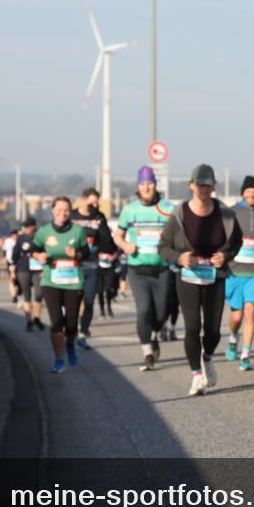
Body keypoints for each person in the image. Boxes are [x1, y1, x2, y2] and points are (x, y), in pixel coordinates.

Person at [158, 164, 242, 395]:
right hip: (188, 277)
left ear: (213, 186)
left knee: (213, 330)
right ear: (191, 185)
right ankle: (196, 374)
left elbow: (237, 243)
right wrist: (179, 257)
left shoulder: (225, 214)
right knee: (193, 327)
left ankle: (207, 357)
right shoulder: (179, 214)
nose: (204, 189)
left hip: (215, 276)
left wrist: (225, 255)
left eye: (208, 185)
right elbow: (163, 247)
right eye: (199, 184)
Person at [112, 166, 176, 371]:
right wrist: (125, 246)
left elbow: (177, 235)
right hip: (138, 270)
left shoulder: (167, 209)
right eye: (142, 184)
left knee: (160, 313)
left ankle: (156, 335)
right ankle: (147, 352)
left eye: (149, 183)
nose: (146, 187)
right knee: (143, 311)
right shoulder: (129, 210)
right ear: (137, 187)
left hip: (162, 270)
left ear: (155, 185)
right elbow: (118, 235)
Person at [31, 196, 89, 373]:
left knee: (71, 324)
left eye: (66, 210)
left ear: (70, 211)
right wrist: (38, 256)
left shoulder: (78, 231)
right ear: (52, 210)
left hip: (73, 282)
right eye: (59, 209)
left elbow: (86, 252)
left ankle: (70, 344)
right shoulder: (44, 231)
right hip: (51, 281)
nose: (62, 213)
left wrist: (76, 254)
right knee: (56, 322)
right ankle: (58, 359)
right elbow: (34, 249)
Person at [224, 175, 254, 371]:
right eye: (248, 190)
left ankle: (245, 355)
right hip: (234, 273)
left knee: (251, 312)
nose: (252, 193)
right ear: (242, 192)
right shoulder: (232, 212)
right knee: (237, 316)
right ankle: (233, 338)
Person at [70, 188, 114, 350]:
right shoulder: (72, 216)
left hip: (92, 265)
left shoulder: (99, 217)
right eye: (91, 202)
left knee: (89, 300)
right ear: (83, 200)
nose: (95, 205)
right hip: (73, 266)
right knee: (73, 301)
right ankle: (71, 331)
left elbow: (107, 243)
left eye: (97, 202)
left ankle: (83, 332)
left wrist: (101, 224)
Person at [11, 217, 46, 332]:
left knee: (39, 294)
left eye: (27, 226)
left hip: (37, 269)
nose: (25, 229)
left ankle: (37, 318)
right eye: (24, 227)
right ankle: (28, 321)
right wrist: (14, 266)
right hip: (23, 269)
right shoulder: (21, 238)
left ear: (33, 226)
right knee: (26, 295)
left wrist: (44, 268)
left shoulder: (40, 236)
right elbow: (15, 254)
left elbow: (46, 252)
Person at [3, 229, 20, 303]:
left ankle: (17, 294)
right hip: (10, 261)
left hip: (18, 262)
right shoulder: (8, 241)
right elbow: (4, 249)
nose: (15, 236)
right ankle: (14, 295)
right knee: (12, 279)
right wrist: (4, 257)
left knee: (17, 280)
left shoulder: (19, 241)